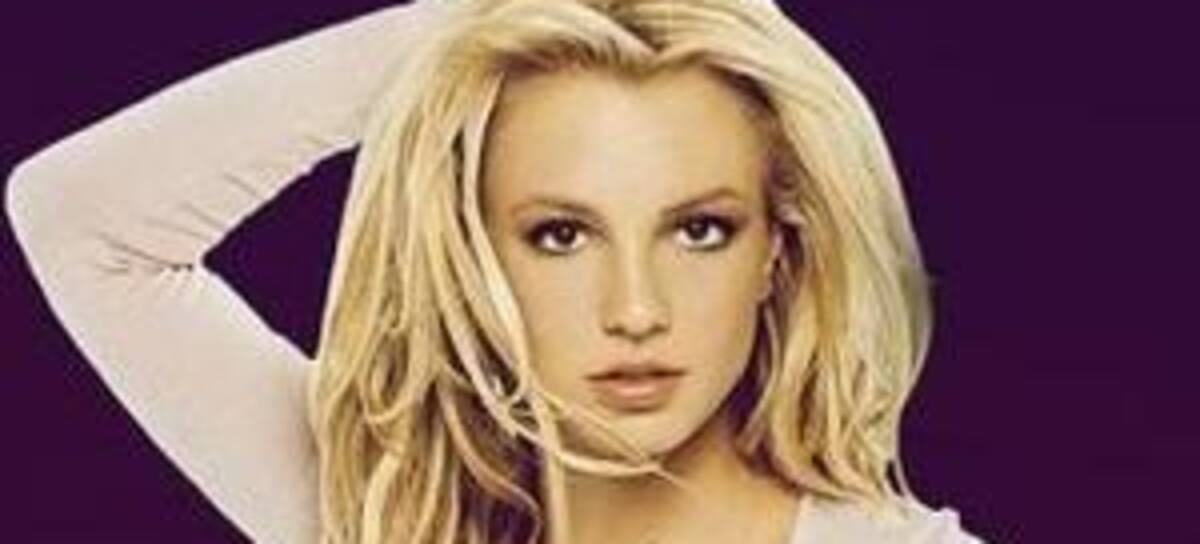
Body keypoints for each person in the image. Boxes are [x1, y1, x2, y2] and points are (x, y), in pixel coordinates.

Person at [6, 0, 986, 542]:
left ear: (777, 248)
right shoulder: (393, 522)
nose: (635, 309)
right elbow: (81, 222)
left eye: (699, 230)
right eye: (561, 235)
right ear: (476, 255)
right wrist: (453, 31)